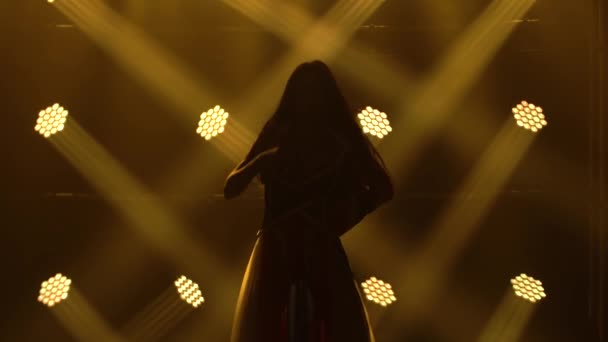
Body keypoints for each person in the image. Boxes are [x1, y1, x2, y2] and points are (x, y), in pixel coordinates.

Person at [225, 60, 393, 342]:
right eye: (304, 93)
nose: (309, 102)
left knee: (339, 323)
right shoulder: (280, 130)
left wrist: (347, 214)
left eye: (315, 93)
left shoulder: (340, 137)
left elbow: (382, 187)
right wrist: (263, 160)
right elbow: (232, 186)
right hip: (278, 245)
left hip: (317, 245)